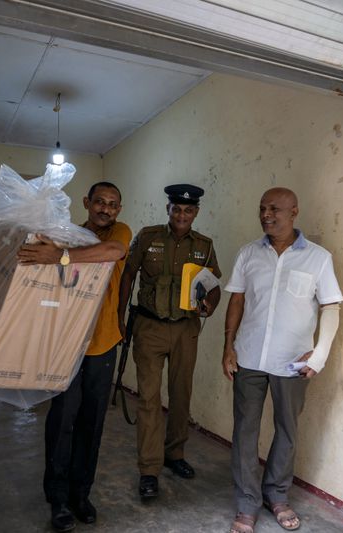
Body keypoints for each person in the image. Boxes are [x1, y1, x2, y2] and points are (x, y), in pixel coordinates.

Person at [222, 187, 343, 533]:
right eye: (262, 208)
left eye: (274, 208)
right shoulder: (248, 254)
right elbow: (236, 302)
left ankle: (276, 495)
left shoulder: (318, 258)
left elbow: (331, 308)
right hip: (248, 357)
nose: (266, 215)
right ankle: (246, 504)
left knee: (287, 430)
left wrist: (319, 355)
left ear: (294, 212)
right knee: (245, 432)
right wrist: (228, 346)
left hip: (293, 361)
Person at [17, 181, 132, 533]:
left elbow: (111, 252)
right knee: (62, 420)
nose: (105, 209)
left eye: (113, 204)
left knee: (92, 422)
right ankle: (58, 499)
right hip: (67, 342)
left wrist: (61, 256)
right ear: (87, 202)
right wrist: (47, 249)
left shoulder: (121, 233)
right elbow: (44, 266)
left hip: (103, 343)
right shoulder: (70, 234)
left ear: (118, 209)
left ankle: (82, 495)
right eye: (99, 202)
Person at [118, 184, 222, 500]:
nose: (181, 215)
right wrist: (119, 320)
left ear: (196, 213)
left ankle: (174, 455)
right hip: (149, 327)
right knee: (149, 398)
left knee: (181, 395)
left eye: (188, 210)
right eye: (176, 209)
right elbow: (127, 276)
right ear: (168, 209)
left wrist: (210, 306)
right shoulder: (148, 237)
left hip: (186, 329)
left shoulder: (204, 245)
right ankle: (149, 469)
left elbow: (213, 284)